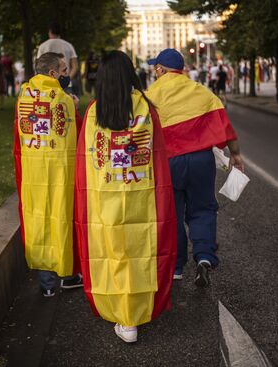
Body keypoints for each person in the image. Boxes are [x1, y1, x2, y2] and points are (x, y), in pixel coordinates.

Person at [75, 50, 176, 344]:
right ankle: (137, 311)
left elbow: (86, 161)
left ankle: (123, 316)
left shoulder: (95, 110)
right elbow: (158, 156)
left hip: (104, 200)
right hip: (142, 200)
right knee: (140, 252)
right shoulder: (145, 107)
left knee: (112, 255)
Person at [145, 48, 244, 287]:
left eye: (154, 68)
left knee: (172, 214)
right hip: (201, 160)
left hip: (168, 162)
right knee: (203, 209)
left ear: (159, 69)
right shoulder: (201, 91)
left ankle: (176, 267)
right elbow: (225, 125)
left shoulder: (149, 95)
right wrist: (236, 154)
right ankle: (204, 258)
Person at [14, 52, 83, 297]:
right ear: (53, 73)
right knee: (62, 219)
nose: (67, 74)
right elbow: (78, 130)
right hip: (60, 173)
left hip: (34, 174)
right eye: (64, 70)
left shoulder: (24, 95)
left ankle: (46, 285)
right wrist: (74, 106)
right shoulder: (63, 99)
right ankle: (68, 274)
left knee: (39, 221)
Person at [37, 22, 78, 95]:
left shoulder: (42, 46)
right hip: (66, 85)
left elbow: (39, 67)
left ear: (50, 31)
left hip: (47, 85)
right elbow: (75, 66)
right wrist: (67, 79)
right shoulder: (68, 46)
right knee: (67, 105)